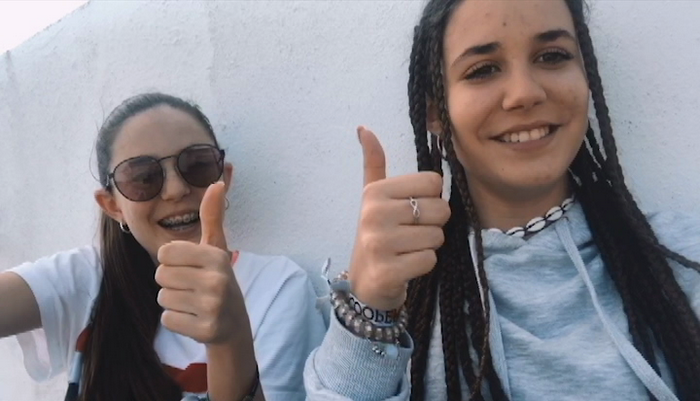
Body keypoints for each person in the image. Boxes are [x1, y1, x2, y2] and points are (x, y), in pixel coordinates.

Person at [305, 1, 700, 400]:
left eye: (552, 56)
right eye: (483, 70)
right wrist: (369, 311)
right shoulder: (404, 289)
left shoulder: (684, 258)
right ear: (436, 113)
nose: (525, 93)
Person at [0, 93, 325, 401]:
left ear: (224, 178)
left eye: (197, 165)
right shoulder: (90, 278)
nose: (175, 190)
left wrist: (230, 342)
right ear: (112, 205)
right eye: (143, 177)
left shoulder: (275, 287)